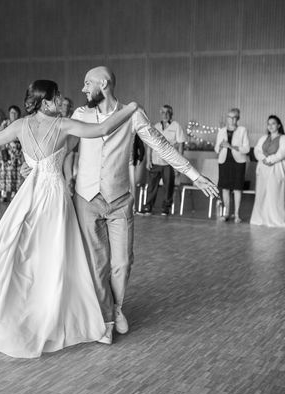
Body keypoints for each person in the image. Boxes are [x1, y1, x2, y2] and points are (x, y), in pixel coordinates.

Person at [0, 80, 138, 358]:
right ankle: (47, 310)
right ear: (45, 102)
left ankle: (26, 305)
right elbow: (102, 129)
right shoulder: (62, 125)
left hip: (29, 195)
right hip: (52, 197)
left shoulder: (20, 126)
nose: (62, 100)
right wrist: (133, 108)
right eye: (57, 97)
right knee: (53, 255)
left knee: (21, 252)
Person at [67, 66, 219, 344]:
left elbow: (162, 146)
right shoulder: (80, 114)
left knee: (123, 262)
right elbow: (63, 147)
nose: (83, 89)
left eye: (88, 83)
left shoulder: (133, 115)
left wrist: (194, 175)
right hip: (86, 199)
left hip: (119, 198)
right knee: (97, 263)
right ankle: (107, 320)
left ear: (104, 83)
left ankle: (116, 306)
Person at [139, 105, 186, 216]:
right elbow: (149, 144)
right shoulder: (155, 126)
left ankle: (165, 208)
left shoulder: (176, 126)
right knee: (151, 186)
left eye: (167, 112)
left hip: (169, 163)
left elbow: (181, 145)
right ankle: (148, 207)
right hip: (155, 161)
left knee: (168, 186)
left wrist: (178, 163)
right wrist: (148, 160)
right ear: (160, 113)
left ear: (171, 114)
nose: (165, 115)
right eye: (163, 112)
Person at [250, 115, 285, 227]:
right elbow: (257, 150)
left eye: (273, 123)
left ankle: (276, 220)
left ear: (279, 125)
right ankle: (259, 219)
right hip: (263, 168)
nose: (270, 126)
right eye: (269, 124)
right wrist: (263, 159)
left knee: (274, 194)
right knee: (261, 194)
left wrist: (270, 160)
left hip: (276, 168)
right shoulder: (263, 138)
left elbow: (282, 153)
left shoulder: (284, 138)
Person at [214, 108, 250, 223]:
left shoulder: (242, 130)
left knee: (237, 188)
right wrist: (220, 146)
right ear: (227, 118)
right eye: (230, 117)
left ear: (238, 118)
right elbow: (216, 149)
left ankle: (237, 214)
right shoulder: (221, 131)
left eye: (234, 117)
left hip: (238, 162)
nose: (232, 119)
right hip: (224, 161)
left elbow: (246, 148)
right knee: (225, 188)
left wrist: (231, 147)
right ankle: (226, 214)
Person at [0, 105, 24, 202]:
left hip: (17, 152)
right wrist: (2, 150)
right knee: (5, 173)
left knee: (15, 173)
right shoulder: (5, 123)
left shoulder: (21, 123)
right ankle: (4, 193)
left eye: (15, 112)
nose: (13, 114)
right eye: (11, 112)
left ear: (18, 114)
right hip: (6, 151)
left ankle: (14, 194)